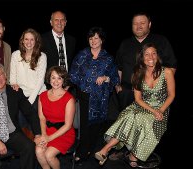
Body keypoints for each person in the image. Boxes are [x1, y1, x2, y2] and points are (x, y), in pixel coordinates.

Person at [94, 43, 175, 167]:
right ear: (141, 57)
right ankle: (106, 149)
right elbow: (138, 99)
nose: (151, 57)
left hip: (161, 109)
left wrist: (160, 110)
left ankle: (133, 155)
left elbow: (171, 95)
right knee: (130, 116)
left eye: (154, 53)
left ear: (157, 56)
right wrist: (153, 111)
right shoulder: (137, 74)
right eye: (147, 54)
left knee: (141, 120)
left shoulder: (167, 72)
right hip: (142, 106)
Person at [69, 27, 120, 163]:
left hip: (100, 98)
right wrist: (84, 84)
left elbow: (115, 78)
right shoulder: (82, 54)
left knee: (96, 125)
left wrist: (105, 78)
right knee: (84, 124)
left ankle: (90, 148)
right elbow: (73, 74)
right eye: (91, 39)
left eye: (96, 38)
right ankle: (82, 151)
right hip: (84, 95)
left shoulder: (108, 58)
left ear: (101, 40)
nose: (93, 41)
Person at [114, 12, 177, 113]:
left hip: (152, 97)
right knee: (126, 126)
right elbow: (119, 68)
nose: (138, 26)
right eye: (135, 24)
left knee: (152, 127)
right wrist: (118, 86)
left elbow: (171, 66)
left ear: (149, 24)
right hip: (127, 94)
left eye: (142, 23)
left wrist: (160, 89)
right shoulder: (125, 43)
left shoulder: (161, 41)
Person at [9, 28, 47, 139]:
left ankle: (38, 146)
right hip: (21, 94)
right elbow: (12, 77)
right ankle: (27, 147)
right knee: (21, 122)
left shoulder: (42, 56)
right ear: (22, 41)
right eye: (26, 39)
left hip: (37, 94)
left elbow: (40, 81)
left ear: (36, 41)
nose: (29, 42)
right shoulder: (15, 55)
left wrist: (30, 101)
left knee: (35, 121)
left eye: (32, 39)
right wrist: (13, 84)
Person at [36, 66, 76, 169]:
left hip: (64, 133)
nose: (56, 81)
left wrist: (49, 138)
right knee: (39, 151)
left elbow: (67, 126)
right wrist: (44, 135)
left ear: (63, 80)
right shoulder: (42, 95)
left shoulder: (69, 99)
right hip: (48, 130)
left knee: (49, 155)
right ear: (49, 79)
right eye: (53, 77)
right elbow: (42, 118)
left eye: (59, 78)